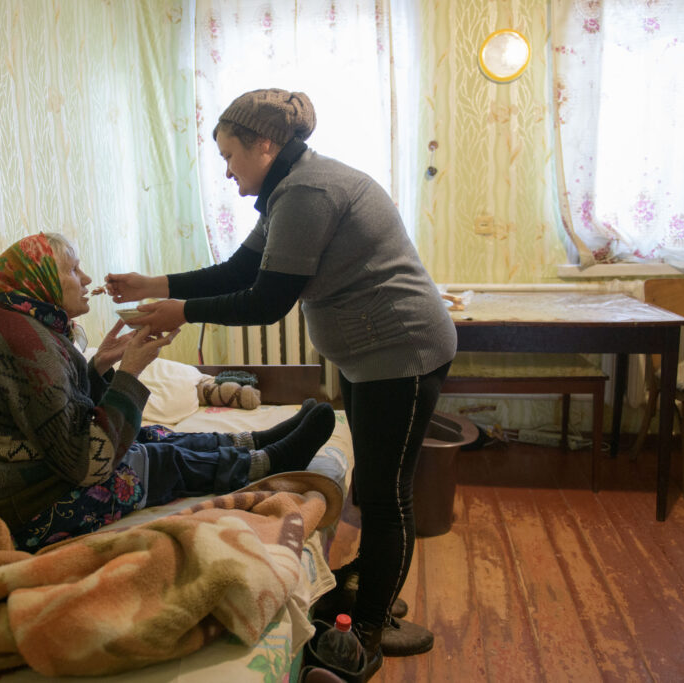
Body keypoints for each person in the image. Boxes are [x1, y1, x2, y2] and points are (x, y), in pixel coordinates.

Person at [105, 89, 457, 678]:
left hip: (403, 352)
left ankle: (369, 627)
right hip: (373, 355)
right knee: (376, 483)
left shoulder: (307, 193)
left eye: (229, 154)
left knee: (386, 492)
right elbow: (240, 269)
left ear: (264, 145)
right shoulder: (287, 192)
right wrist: (153, 284)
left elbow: (267, 300)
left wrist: (181, 311)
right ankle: (374, 587)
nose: (226, 169)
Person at [0, 232, 335, 551]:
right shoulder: (29, 344)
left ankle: (251, 442)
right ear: (42, 281)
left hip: (3, 474)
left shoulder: (18, 322)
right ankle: (263, 465)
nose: (85, 279)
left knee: (148, 434)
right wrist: (131, 374)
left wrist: (99, 366)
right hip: (9, 499)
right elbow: (89, 464)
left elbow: (51, 411)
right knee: (146, 462)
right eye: (73, 271)